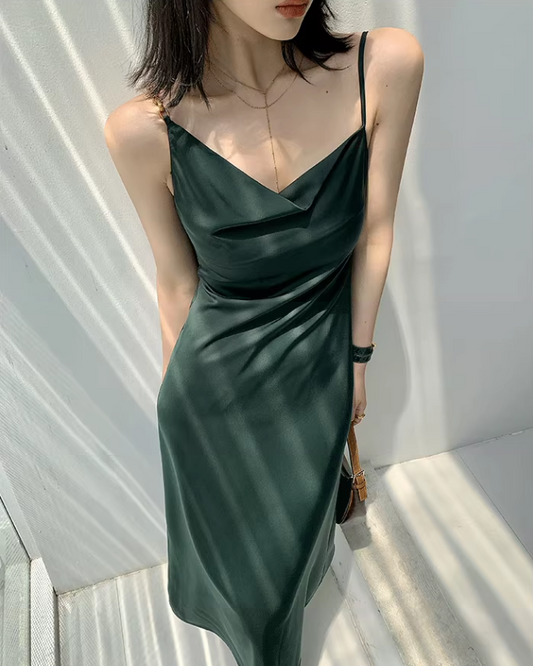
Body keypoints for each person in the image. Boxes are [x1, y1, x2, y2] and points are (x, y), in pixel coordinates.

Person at [105, 1, 424, 664]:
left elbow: (374, 231)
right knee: (253, 593)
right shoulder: (144, 130)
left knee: (287, 559)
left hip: (317, 374)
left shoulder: (383, 66)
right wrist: (179, 411)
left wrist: (357, 359)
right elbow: (176, 283)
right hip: (209, 399)